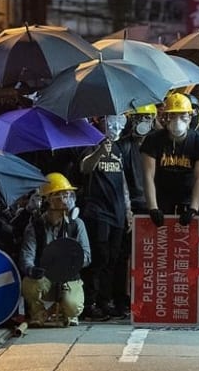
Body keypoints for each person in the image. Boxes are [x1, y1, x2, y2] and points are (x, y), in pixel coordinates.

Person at [19, 173, 91, 327]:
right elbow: (27, 256)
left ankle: (63, 312)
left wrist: (71, 262)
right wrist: (32, 270)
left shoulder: (76, 224)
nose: (66, 200)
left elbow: (87, 256)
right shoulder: (35, 227)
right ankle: (37, 313)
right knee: (29, 284)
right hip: (45, 276)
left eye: (68, 195)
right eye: (60, 195)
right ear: (48, 200)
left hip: (69, 277)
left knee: (73, 307)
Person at [78, 115, 131, 320]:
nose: (115, 126)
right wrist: (100, 149)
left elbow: (123, 180)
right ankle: (89, 302)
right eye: (111, 122)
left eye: (119, 123)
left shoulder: (119, 150)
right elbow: (85, 167)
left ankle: (104, 301)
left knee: (113, 259)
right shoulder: (92, 145)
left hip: (117, 211)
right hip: (97, 211)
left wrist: (128, 210)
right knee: (99, 257)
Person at [141, 92, 199, 225]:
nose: (177, 120)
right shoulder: (153, 140)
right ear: (165, 117)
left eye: (182, 115)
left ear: (190, 117)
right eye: (172, 115)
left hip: (189, 199)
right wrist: (153, 208)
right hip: (161, 199)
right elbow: (148, 175)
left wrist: (193, 209)